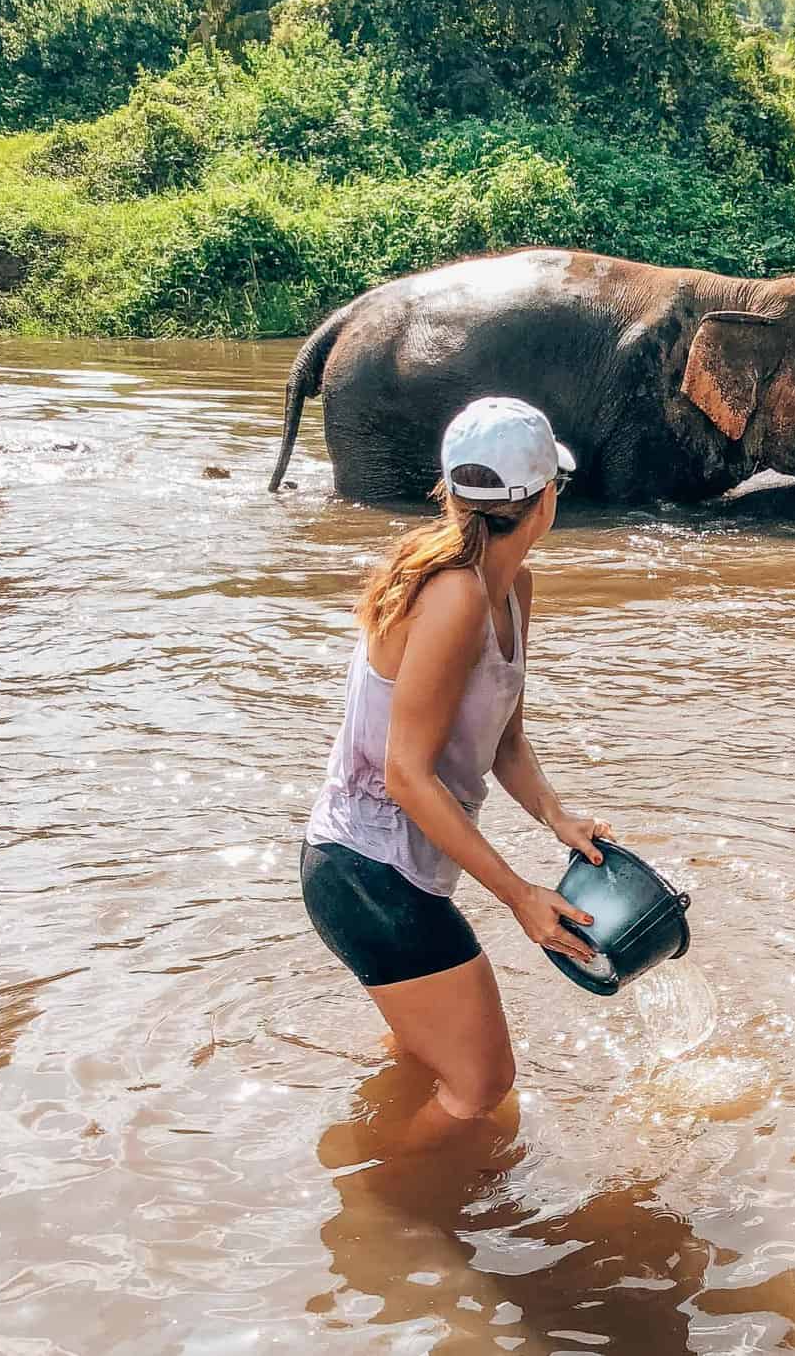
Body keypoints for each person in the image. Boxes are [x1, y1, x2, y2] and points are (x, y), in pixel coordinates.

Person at [300, 396, 607, 1154]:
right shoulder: (454, 594)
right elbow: (407, 775)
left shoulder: (510, 586)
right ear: (544, 500)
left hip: (393, 871)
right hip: (366, 873)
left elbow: (505, 742)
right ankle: (384, 1200)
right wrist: (521, 897)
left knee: (427, 1060)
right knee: (481, 1084)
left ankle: (381, 1158)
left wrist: (556, 817)